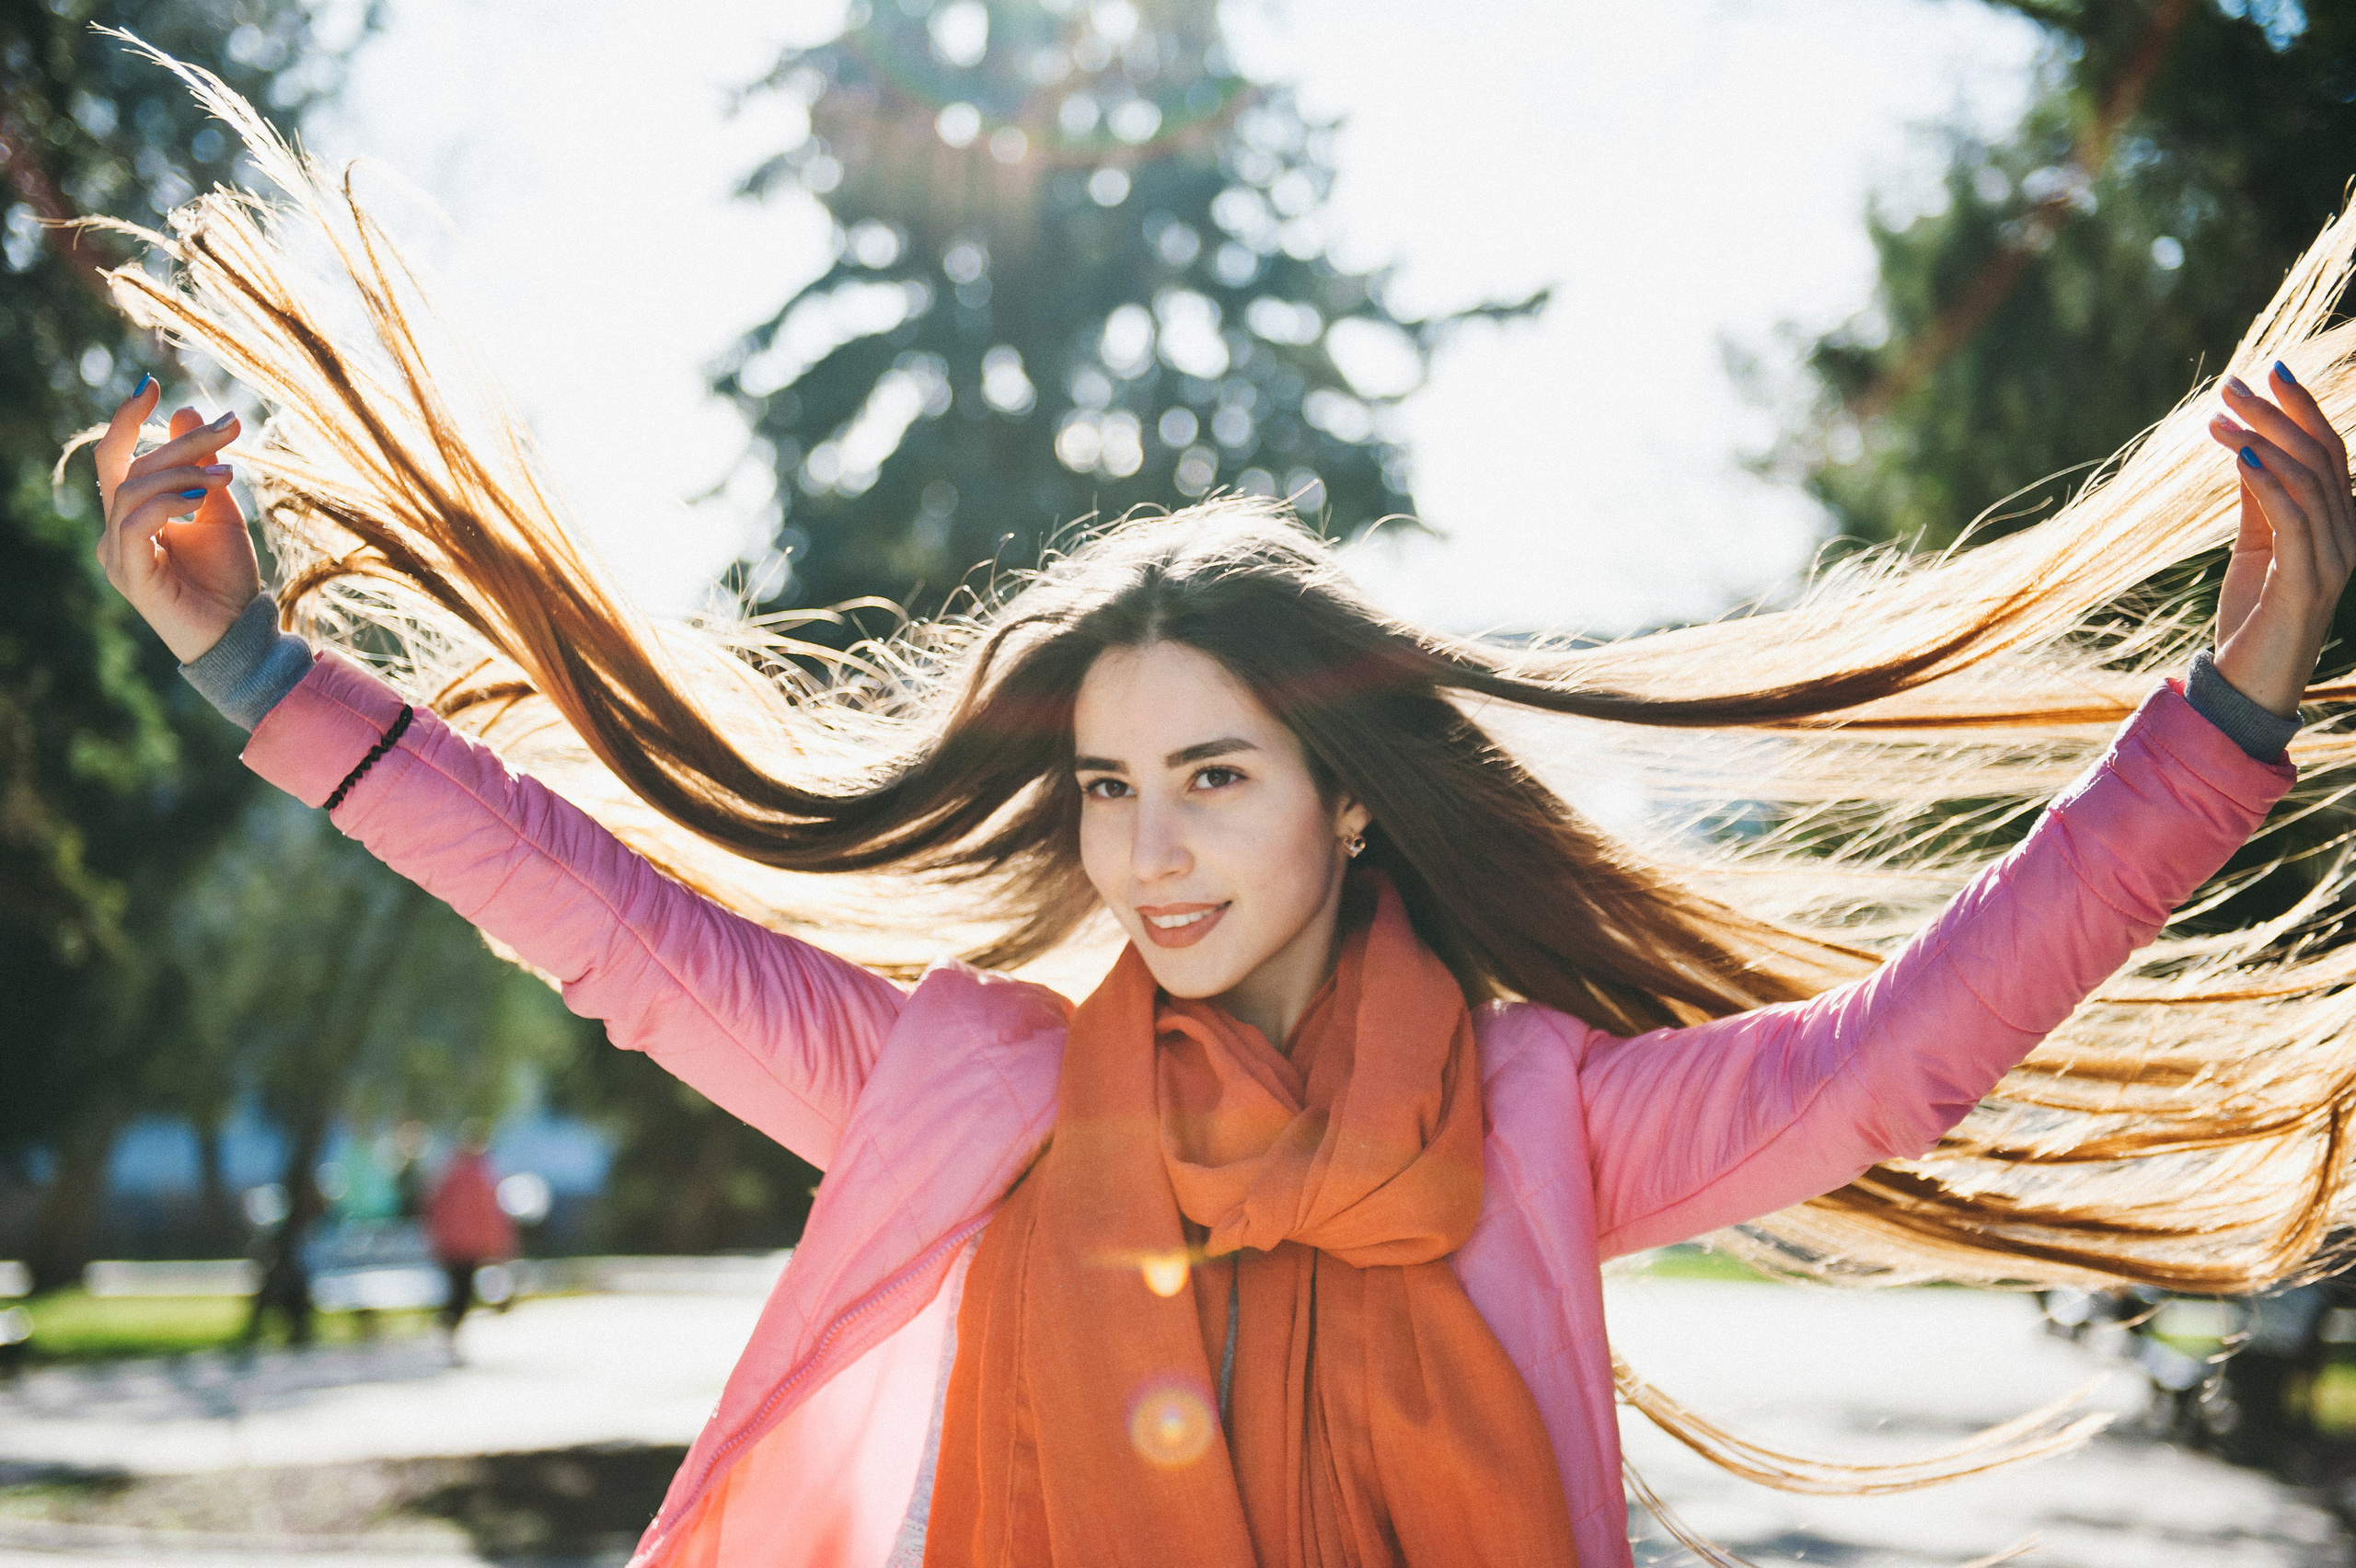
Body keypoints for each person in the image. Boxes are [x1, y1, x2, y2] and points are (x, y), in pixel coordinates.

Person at [73, 52, 2356, 1568]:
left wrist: (2223, 714)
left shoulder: (1536, 1116)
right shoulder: (965, 1089)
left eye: (1211, 781)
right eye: (1103, 790)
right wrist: (255, 674)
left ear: (1344, 807)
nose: (1143, 849)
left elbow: (1898, 1056)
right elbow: (609, 925)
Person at [425, 1124, 516, 1358]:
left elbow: (434, 1209)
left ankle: (449, 1331)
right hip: (469, 1245)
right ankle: (449, 1331)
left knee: (459, 1289)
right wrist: (499, 1245)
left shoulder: (448, 1172)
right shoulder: (481, 1174)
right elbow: (491, 1215)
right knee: (462, 1291)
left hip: (451, 1244)